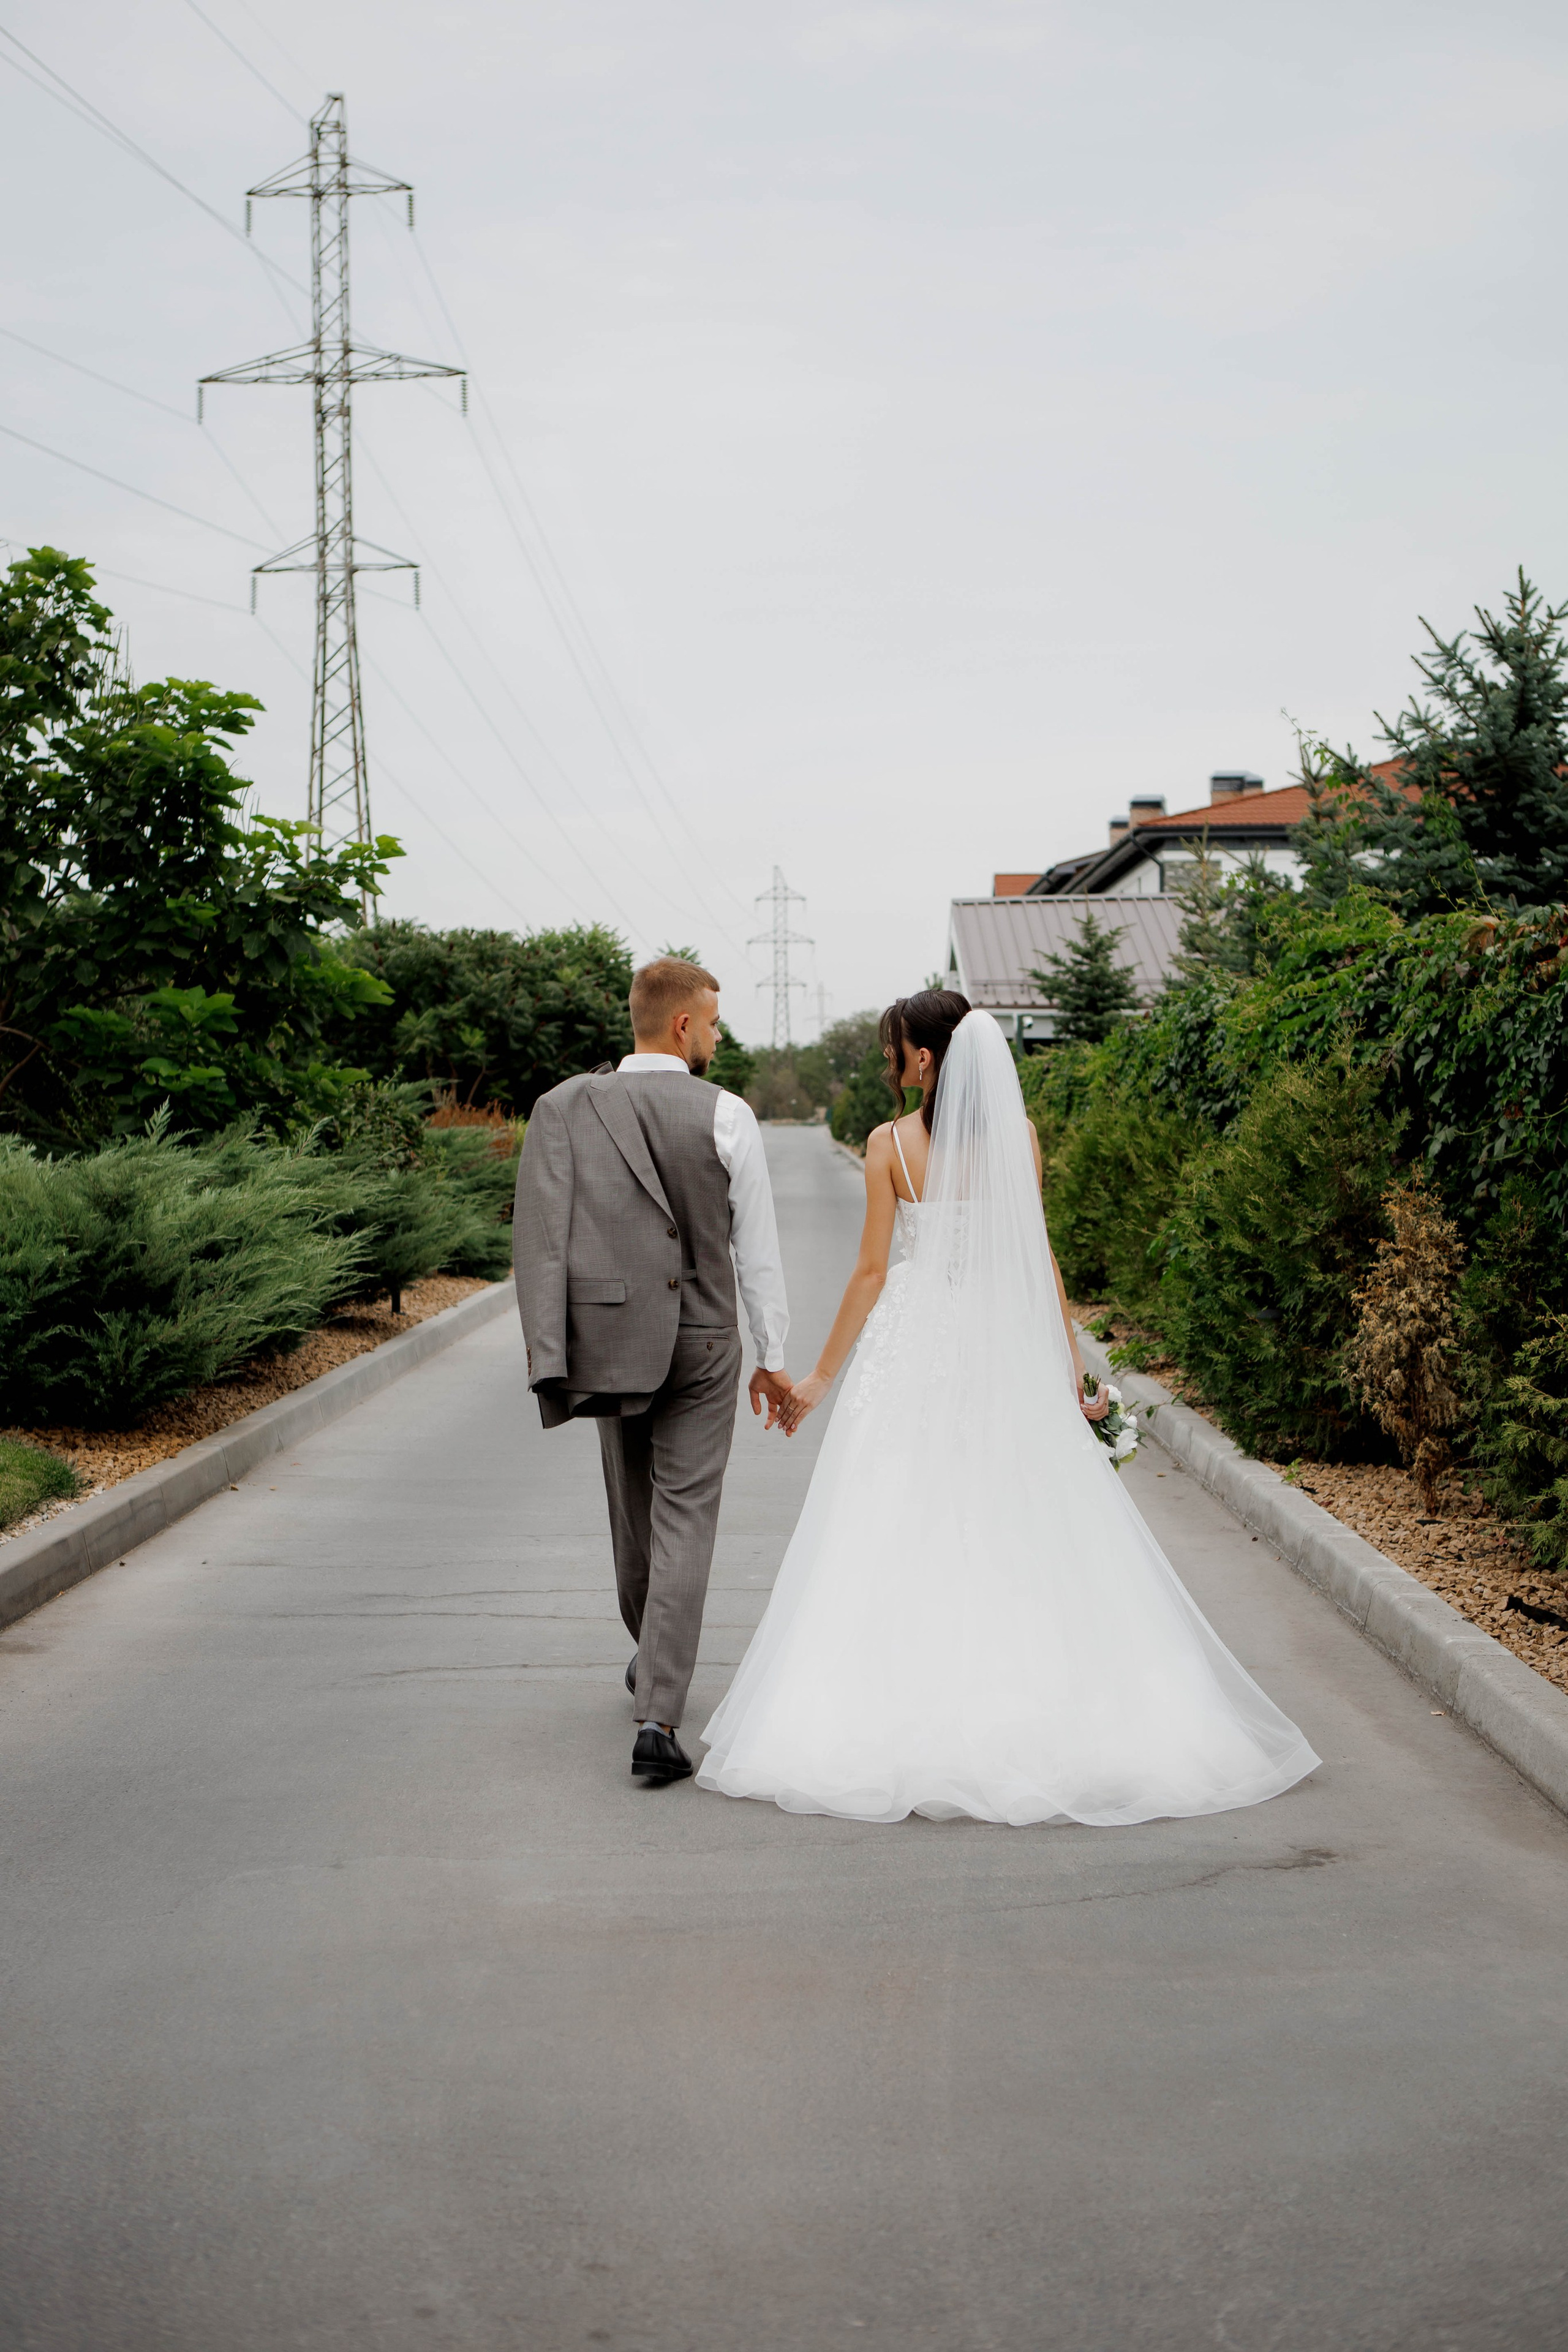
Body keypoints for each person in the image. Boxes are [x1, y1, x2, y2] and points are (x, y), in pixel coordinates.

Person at [697, 991, 1319, 1826]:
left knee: (898, 1512)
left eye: (893, 1050)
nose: (888, 1062)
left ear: (921, 1060)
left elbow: (873, 1274)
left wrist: (816, 1379)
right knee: (1016, 1508)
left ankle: (906, 1703)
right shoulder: (1018, 1140)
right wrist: (1070, 1371)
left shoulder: (890, 1146)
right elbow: (1040, 1258)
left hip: (916, 1348)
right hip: (1000, 1338)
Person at [513, 957, 792, 1787]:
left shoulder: (565, 1108)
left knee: (634, 1515)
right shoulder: (729, 1116)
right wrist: (774, 1358)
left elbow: (541, 1236)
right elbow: (759, 1254)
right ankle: (660, 1713)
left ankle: (654, 1660)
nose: (715, 1034)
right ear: (681, 1025)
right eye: (711, 1021)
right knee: (685, 1517)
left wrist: (550, 1351)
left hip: (609, 1336)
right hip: (705, 1341)